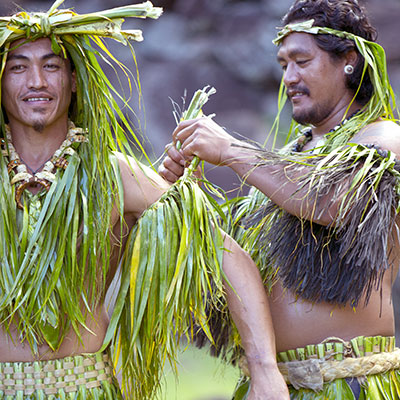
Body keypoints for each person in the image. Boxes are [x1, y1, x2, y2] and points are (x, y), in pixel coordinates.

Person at [0, 1, 289, 400]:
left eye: (51, 66)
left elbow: (226, 254)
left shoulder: (115, 176)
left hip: (86, 389)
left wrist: (265, 370)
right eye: (18, 67)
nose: (37, 81)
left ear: (74, 80)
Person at [159, 0, 400, 398]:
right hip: (274, 385)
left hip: (350, 380)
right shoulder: (288, 161)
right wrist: (188, 195)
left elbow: (332, 203)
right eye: (283, 64)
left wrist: (232, 150)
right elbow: (240, 263)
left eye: (302, 61)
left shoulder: (383, 138)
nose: (289, 76)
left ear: (349, 62)